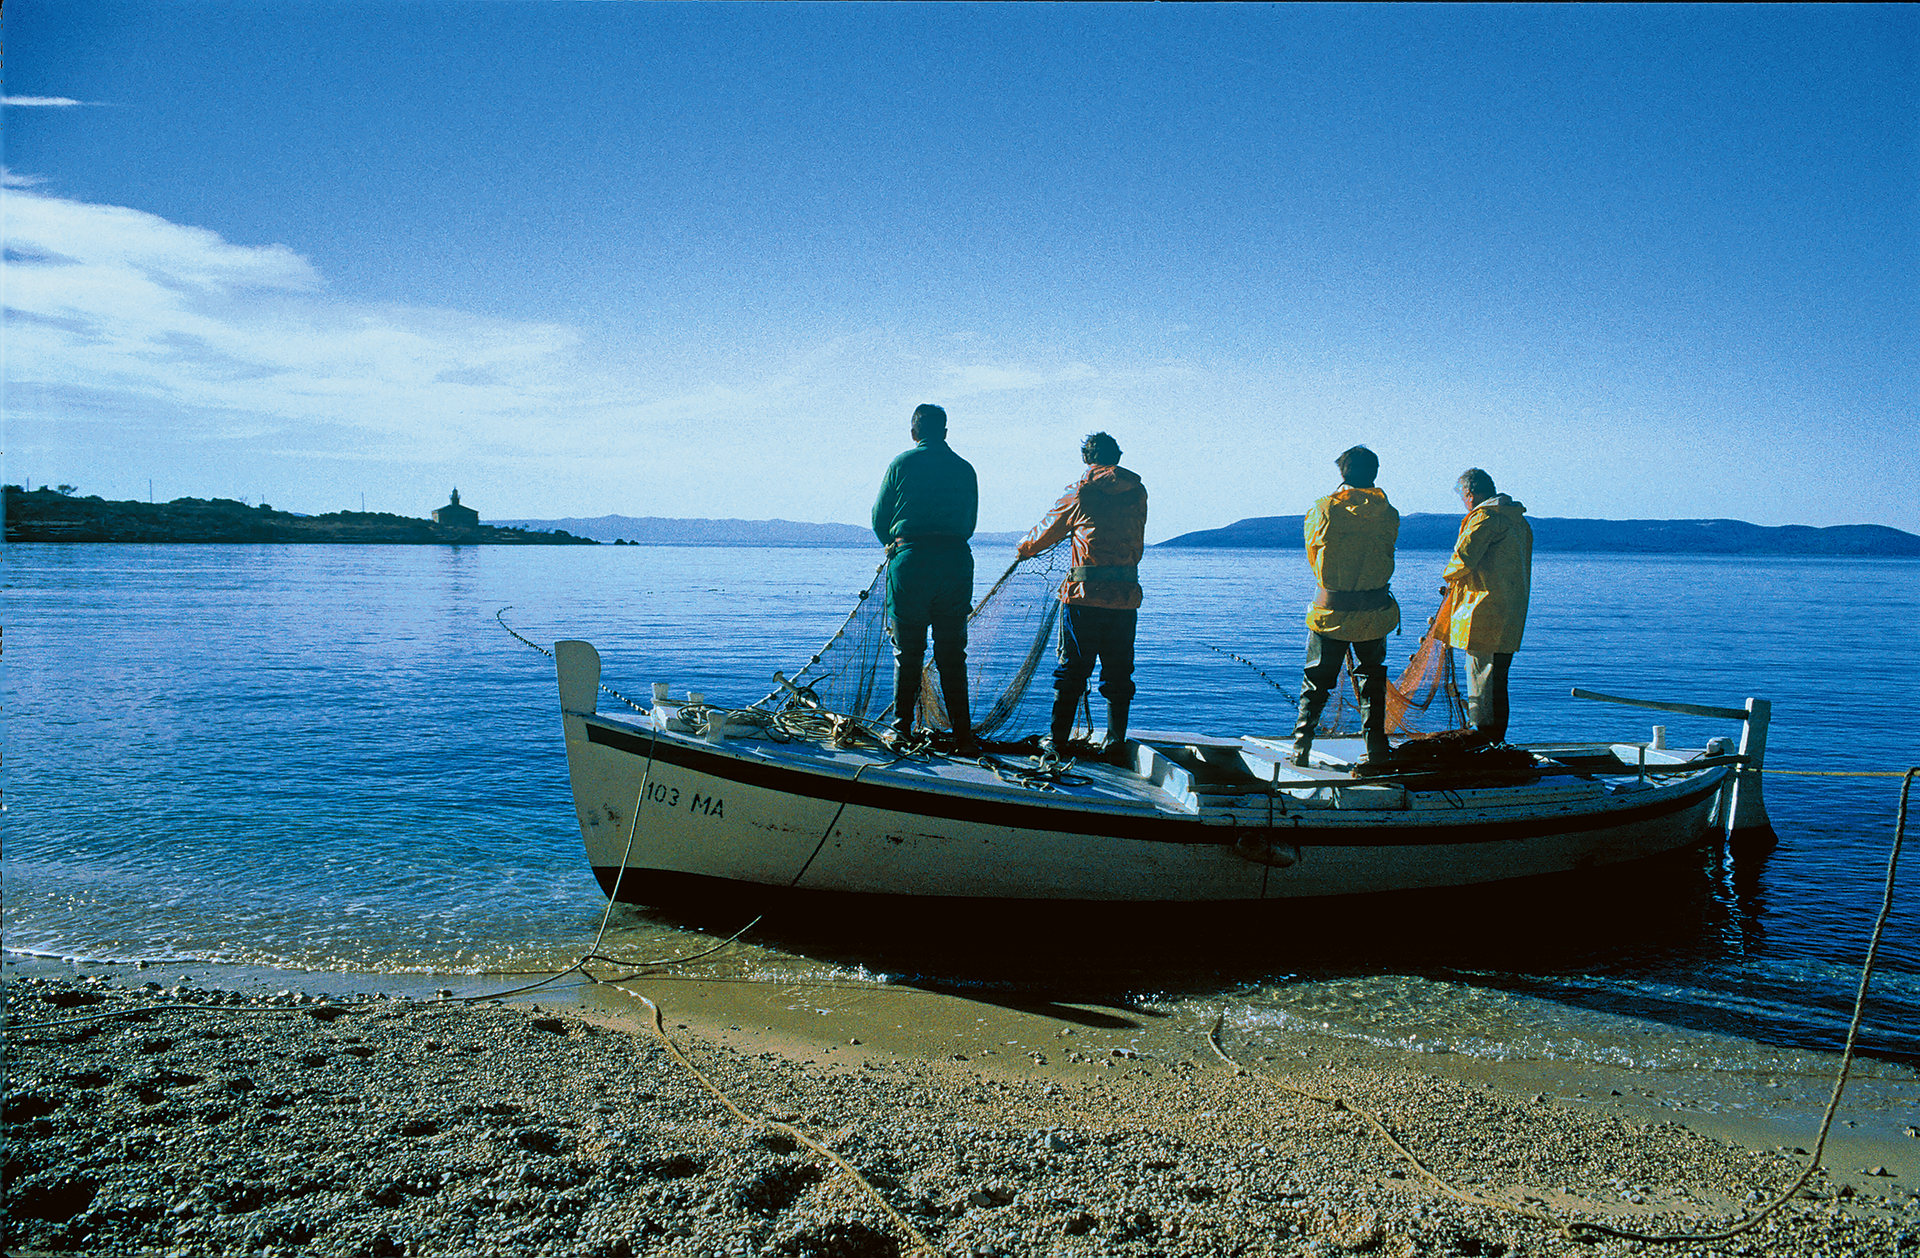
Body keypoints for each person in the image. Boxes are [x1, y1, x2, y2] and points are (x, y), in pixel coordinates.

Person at [1016, 432, 1149, 763]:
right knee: (1119, 673)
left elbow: (1049, 529)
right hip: (1124, 599)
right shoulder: (1138, 492)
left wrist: (1024, 548)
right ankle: (1115, 742)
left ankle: (1057, 742)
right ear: (1116, 457)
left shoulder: (1081, 490)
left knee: (1073, 670)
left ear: (1088, 459)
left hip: (1083, 597)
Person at [872, 403, 979, 748]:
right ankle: (963, 734)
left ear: (914, 432)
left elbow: (879, 517)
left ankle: (901, 728)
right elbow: (969, 524)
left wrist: (893, 543)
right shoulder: (965, 469)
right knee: (952, 653)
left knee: (908, 652)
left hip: (911, 564)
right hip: (955, 564)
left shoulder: (901, 463)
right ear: (945, 432)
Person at [1290, 445, 1400, 769]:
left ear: (1342, 473)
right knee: (1372, 682)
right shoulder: (1388, 512)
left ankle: (1300, 748)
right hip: (1374, 614)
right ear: (1374, 474)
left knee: (1315, 681)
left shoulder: (1323, 508)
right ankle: (1377, 750)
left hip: (1331, 612)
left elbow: (1314, 556)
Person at [1441, 468, 1533, 743]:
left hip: (1484, 611)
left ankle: (1483, 739)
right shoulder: (1519, 522)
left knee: (1482, 679)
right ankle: (1496, 738)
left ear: (1470, 494)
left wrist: (1447, 575)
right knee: (1498, 680)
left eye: (1463, 497)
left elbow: (1463, 559)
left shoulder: (1486, 518)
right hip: (1511, 611)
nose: (1464, 503)